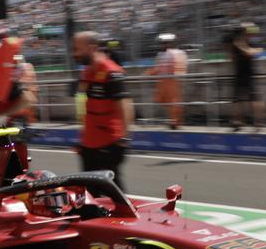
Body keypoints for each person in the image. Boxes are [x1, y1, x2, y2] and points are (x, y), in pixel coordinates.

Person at [74, 31, 133, 191]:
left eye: (77, 49)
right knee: (90, 190)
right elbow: (85, 107)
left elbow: (125, 104)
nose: (75, 54)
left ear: (91, 48)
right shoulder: (86, 73)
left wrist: (124, 137)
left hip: (109, 141)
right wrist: (82, 139)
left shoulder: (112, 72)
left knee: (112, 188)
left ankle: (125, 215)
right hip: (88, 142)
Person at [146, 33, 187, 129]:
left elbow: (178, 68)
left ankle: (175, 122)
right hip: (163, 81)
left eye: (165, 43)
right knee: (167, 101)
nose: (163, 45)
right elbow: (158, 67)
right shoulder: (161, 54)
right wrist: (148, 73)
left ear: (171, 43)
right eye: (162, 43)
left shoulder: (177, 53)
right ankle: (174, 120)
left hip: (172, 80)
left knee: (174, 101)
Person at [229, 22, 264, 131]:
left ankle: (258, 122)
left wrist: (250, 50)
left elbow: (257, 52)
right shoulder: (236, 42)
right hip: (240, 73)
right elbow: (234, 57)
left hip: (248, 74)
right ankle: (237, 122)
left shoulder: (250, 42)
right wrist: (250, 51)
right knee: (237, 100)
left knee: (254, 98)